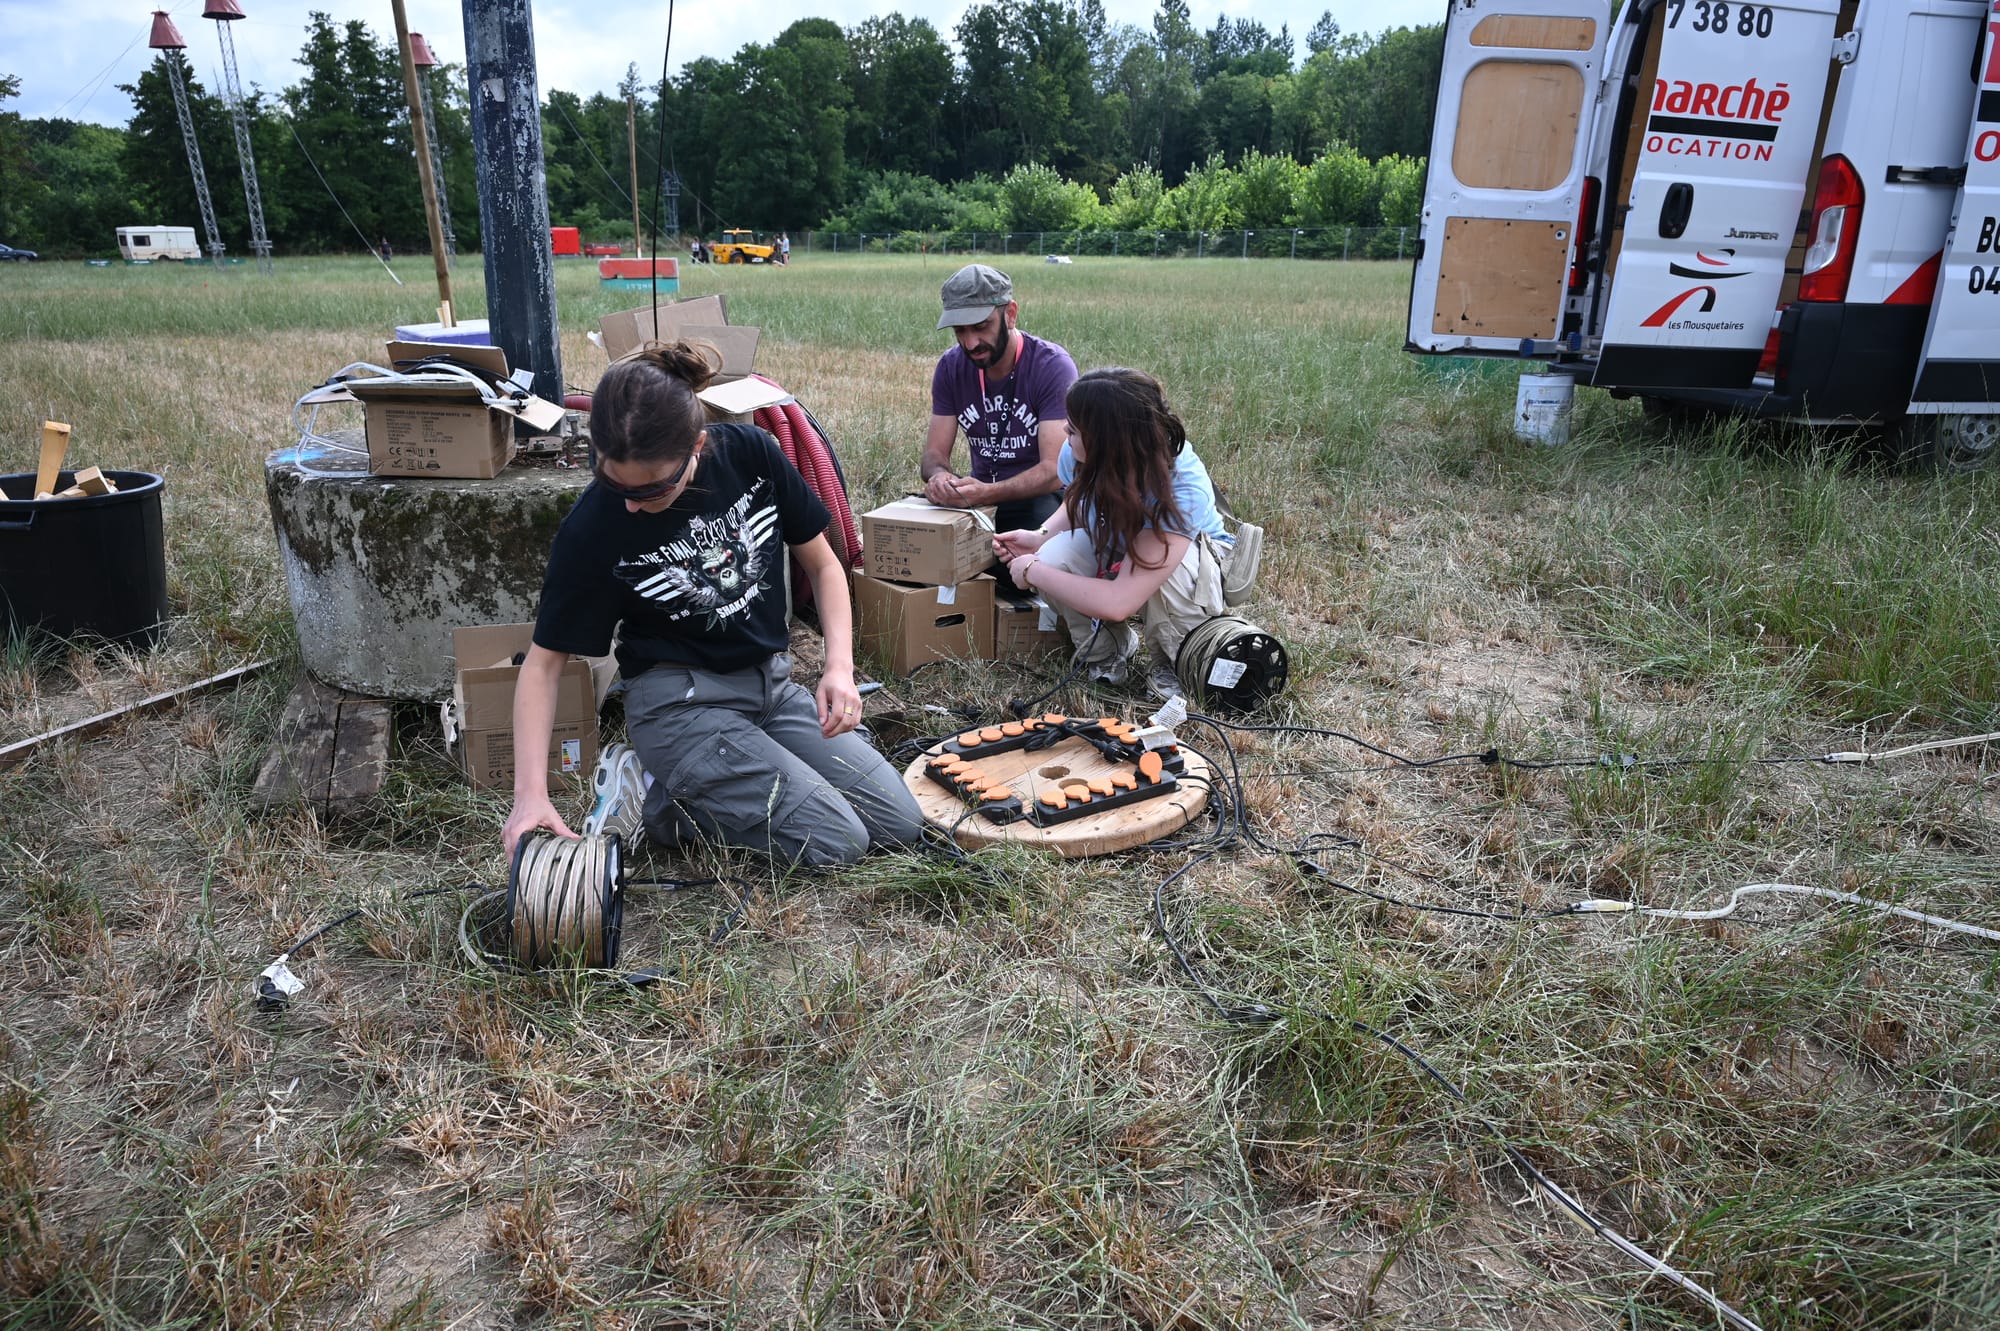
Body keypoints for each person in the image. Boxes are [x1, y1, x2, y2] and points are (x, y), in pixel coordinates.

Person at [502, 340, 924, 868]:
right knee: (839, 840)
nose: (630, 504)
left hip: (770, 688)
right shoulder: (592, 529)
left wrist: (839, 667)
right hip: (679, 707)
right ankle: (659, 800)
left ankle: (689, 784)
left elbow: (824, 565)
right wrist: (529, 797)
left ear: (697, 446)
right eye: (612, 482)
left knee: (899, 823)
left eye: (652, 490)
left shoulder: (750, 454)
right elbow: (543, 666)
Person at [992, 367, 1236, 697]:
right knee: (1053, 557)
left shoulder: (1182, 489)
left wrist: (1031, 571)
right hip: (1122, 539)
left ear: (1108, 441)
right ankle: (1106, 651)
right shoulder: (1076, 452)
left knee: (1170, 573)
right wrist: (1041, 536)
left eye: (1074, 428)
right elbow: (1079, 499)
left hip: (1191, 557)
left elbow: (1119, 601)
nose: (1065, 430)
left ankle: (1173, 659)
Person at [921, 264, 1074, 542]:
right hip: (980, 501)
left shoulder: (1051, 366)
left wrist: (986, 492)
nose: (970, 343)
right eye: (960, 331)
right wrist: (940, 477)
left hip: (1042, 499)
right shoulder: (950, 367)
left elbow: (1054, 471)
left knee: (1037, 546)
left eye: (981, 327)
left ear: (1010, 314)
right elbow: (933, 455)